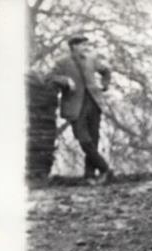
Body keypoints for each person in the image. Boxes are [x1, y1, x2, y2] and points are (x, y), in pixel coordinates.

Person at [50, 32, 113, 183]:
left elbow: (106, 71)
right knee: (84, 140)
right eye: (83, 45)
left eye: (87, 44)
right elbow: (50, 77)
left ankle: (90, 176)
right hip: (74, 105)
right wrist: (65, 81)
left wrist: (104, 85)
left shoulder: (91, 59)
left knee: (94, 139)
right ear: (74, 46)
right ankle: (105, 168)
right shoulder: (62, 62)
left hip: (93, 103)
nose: (86, 47)